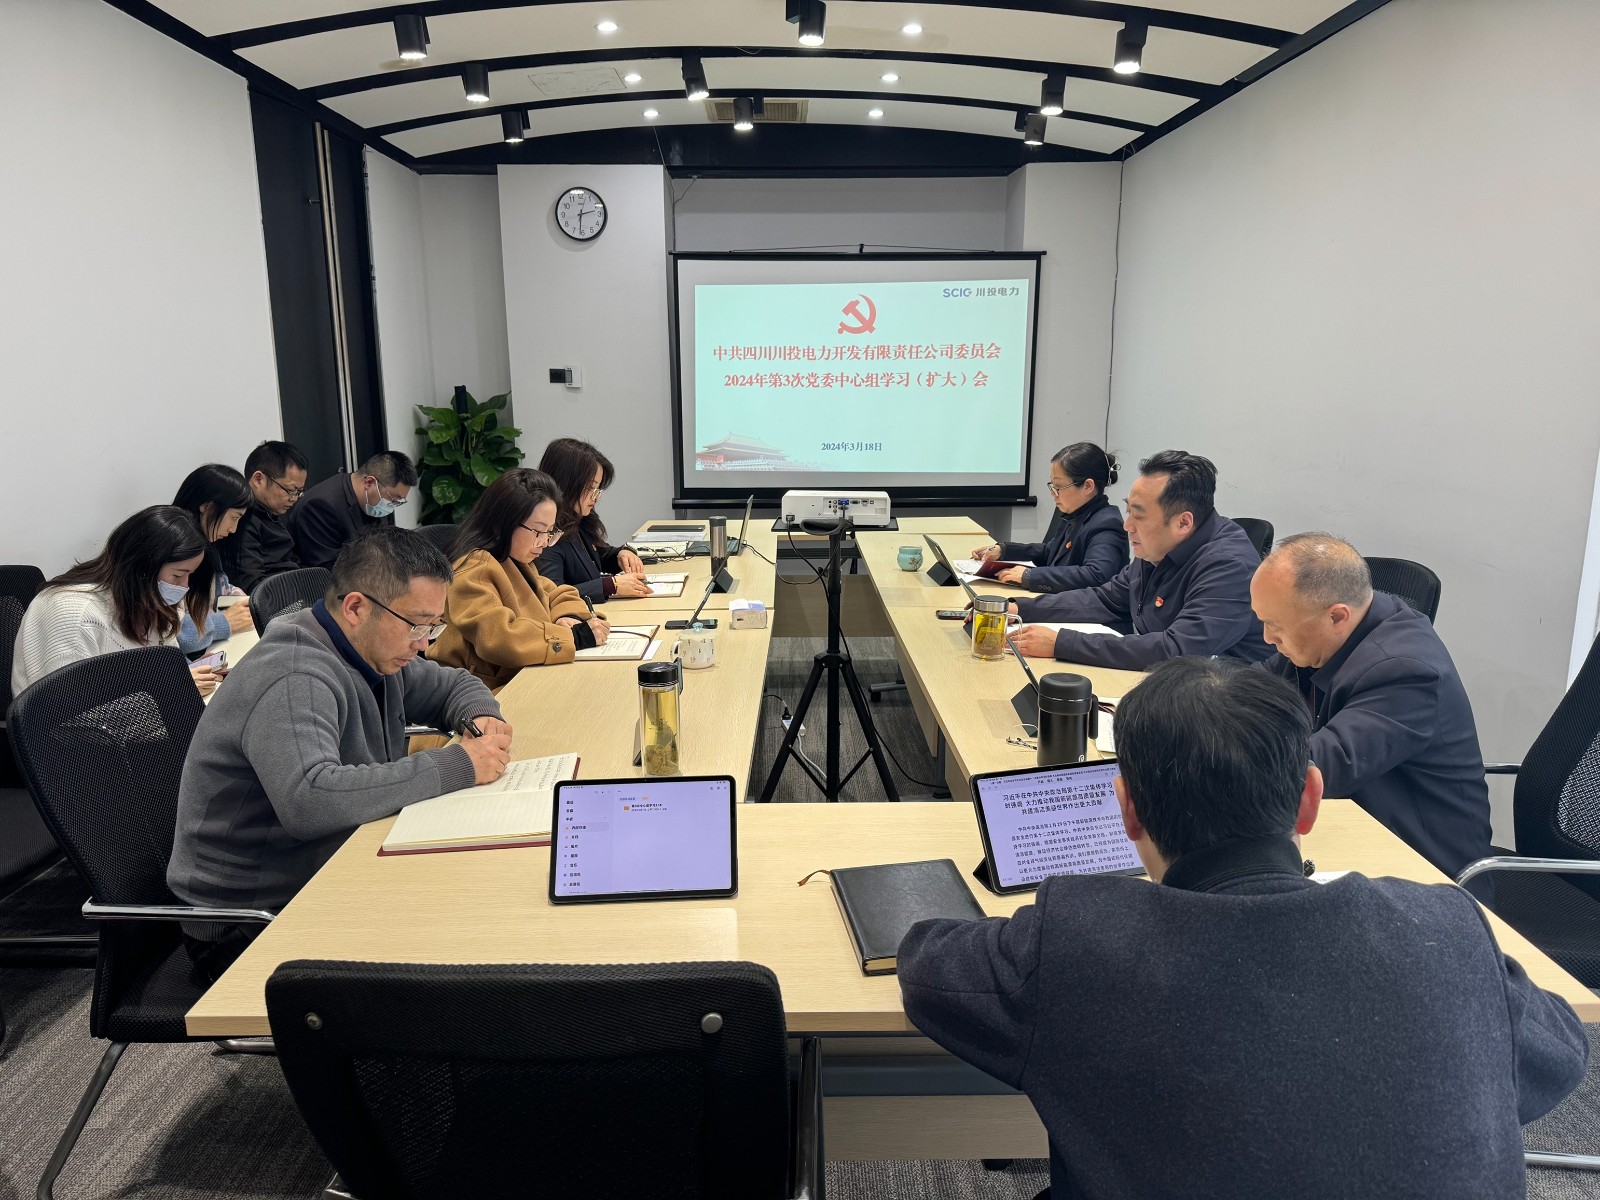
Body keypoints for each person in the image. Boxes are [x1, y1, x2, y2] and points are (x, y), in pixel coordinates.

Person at [898, 658, 1586, 1200]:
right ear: (1310, 799)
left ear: (1126, 809)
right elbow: (1558, 1055)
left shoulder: (1082, 937)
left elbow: (927, 965)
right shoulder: (1447, 926)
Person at [167, 525, 511, 981]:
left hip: (325, 870)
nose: (425, 643)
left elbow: (454, 684)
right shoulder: (294, 674)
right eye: (416, 625)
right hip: (249, 922)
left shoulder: (372, 651)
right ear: (355, 608)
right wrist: (458, 764)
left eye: (434, 626)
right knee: (460, 948)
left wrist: (480, 714)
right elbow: (310, 800)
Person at [1252, 532, 1494, 892]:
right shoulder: (1320, 640)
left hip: (1426, 874)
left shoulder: (1405, 669)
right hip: (1356, 832)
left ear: (1337, 616)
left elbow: (1322, 765)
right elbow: (1249, 689)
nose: (1267, 638)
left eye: (1276, 625)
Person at [1008, 450, 1271, 668]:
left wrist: (1062, 643)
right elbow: (1105, 599)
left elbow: (1178, 650)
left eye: (1139, 516)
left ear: (1183, 522)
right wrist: (1019, 609)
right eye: (1128, 511)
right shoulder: (1158, 546)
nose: (1127, 526)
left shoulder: (1229, 565)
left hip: (1228, 699)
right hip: (1169, 684)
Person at [12, 506, 225, 698]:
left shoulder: (152, 603)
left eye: (189, 575)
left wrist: (182, 674)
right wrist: (172, 691)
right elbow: (73, 711)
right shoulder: (73, 614)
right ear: (141, 567)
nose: (184, 586)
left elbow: (148, 674)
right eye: (177, 575)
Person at [429, 468, 610, 689]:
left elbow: (556, 592)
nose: (544, 542)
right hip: (481, 691)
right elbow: (499, 638)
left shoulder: (514, 559)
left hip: (522, 678)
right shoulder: (474, 569)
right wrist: (574, 637)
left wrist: (567, 616)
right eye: (538, 531)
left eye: (550, 532)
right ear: (502, 523)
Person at [976, 443, 1128, 592]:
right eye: (1052, 486)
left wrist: (1031, 576)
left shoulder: (1107, 523)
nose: (1053, 493)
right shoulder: (1076, 513)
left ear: (1088, 486)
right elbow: (1050, 551)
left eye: (1059, 487)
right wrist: (1004, 550)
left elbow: (1096, 574)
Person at [534, 437, 651, 603]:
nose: (596, 497)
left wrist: (621, 554)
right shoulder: (546, 534)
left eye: (598, 489)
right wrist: (610, 586)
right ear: (566, 483)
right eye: (590, 487)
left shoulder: (578, 520)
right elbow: (552, 595)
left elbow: (596, 556)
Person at [171, 463, 254, 655]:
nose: (233, 529)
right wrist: (224, 623)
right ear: (206, 507)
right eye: (234, 517)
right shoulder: (174, 552)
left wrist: (240, 601)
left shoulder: (208, 547)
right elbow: (172, 632)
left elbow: (219, 586)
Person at [288, 449, 418, 571]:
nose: (392, 505)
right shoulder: (322, 506)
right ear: (369, 483)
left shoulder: (372, 501)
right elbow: (327, 570)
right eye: (393, 499)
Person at [218, 440, 310, 592]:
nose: (294, 498)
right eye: (289, 490)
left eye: (299, 492)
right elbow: (252, 585)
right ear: (258, 479)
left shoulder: (274, 510)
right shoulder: (243, 520)